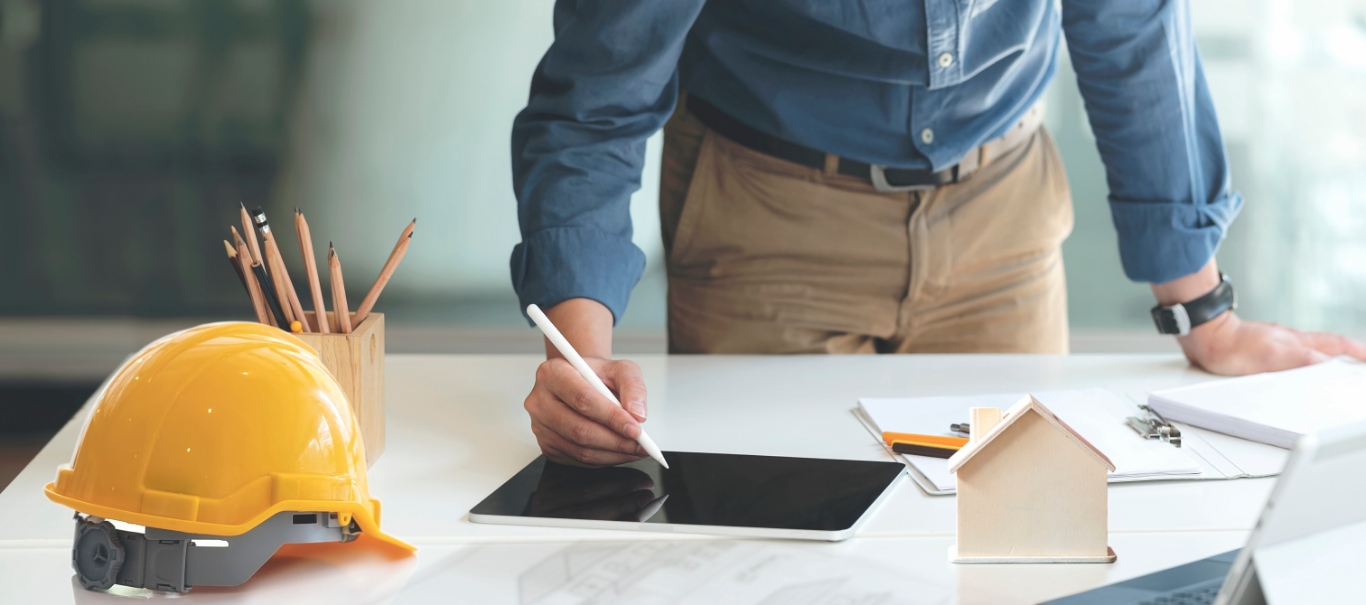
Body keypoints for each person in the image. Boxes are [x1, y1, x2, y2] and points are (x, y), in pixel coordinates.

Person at [509, 1, 1366, 467]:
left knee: (1026, 535)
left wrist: (1203, 314)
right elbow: (598, 99)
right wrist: (579, 364)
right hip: (770, 210)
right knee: (775, 552)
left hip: (1002, 210)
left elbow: (1131, 27)